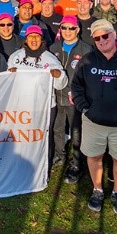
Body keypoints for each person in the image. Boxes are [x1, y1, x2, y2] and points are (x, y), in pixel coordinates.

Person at [70, 19, 117, 216]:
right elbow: (76, 86)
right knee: (94, 156)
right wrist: (85, 108)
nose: (102, 40)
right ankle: (97, 189)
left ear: (114, 34)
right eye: (97, 38)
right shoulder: (87, 61)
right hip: (93, 121)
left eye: (105, 35)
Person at [7, 25, 68, 168]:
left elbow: (61, 84)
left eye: (37, 36)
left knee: (43, 136)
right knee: (23, 135)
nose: (34, 39)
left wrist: (58, 75)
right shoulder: (16, 57)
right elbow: (7, 82)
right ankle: (22, 163)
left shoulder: (50, 59)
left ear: (42, 39)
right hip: (22, 106)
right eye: (30, 36)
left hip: (44, 106)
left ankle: (44, 165)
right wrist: (11, 74)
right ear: (26, 39)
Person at [48, 15, 92, 179]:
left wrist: (80, 92)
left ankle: (76, 163)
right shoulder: (53, 48)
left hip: (74, 98)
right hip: (55, 96)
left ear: (78, 30)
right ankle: (59, 155)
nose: (67, 31)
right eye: (64, 27)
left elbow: (90, 75)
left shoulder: (86, 50)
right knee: (57, 128)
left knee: (76, 131)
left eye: (71, 28)